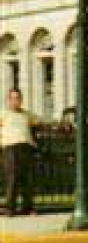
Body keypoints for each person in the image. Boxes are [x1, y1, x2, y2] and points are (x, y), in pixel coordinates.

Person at [2, 87, 37, 216]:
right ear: (8, 100)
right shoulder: (3, 114)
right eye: (13, 98)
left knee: (27, 179)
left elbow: (39, 121)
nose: (15, 101)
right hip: (10, 147)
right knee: (12, 178)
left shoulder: (27, 115)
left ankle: (28, 207)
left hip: (26, 147)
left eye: (18, 98)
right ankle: (10, 207)